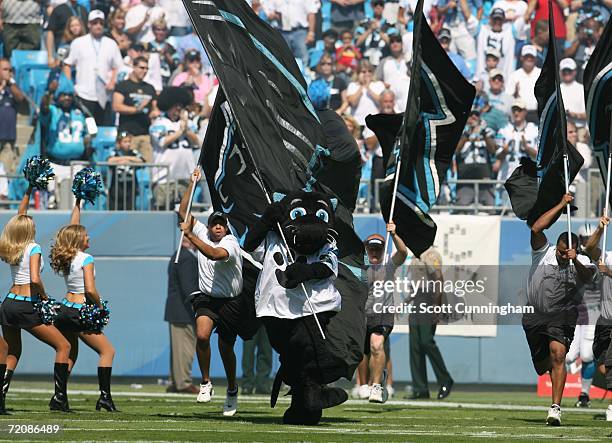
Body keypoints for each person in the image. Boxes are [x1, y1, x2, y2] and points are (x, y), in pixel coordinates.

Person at [178, 169, 249, 417]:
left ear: (226, 228)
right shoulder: (202, 232)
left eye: (221, 224)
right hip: (207, 298)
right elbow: (183, 212)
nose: (218, 228)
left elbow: (213, 254)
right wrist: (192, 183)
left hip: (231, 301)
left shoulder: (230, 243)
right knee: (202, 335)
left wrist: (188, 234)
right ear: (209, 226)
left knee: (226, 348)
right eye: (214, 224)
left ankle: (231, 388)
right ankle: (206, 382)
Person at [524, 193, 596, 426]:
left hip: (562, 314)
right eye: (561, 252)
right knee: (541, 366)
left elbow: (588, 276)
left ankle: (555, 408)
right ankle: (549, 372)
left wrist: (574, 260)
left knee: (558, 355)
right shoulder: (544, 252)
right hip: (534, 313)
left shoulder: (582, 262)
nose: (563, 256)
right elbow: (535, 229)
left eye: (567, 253)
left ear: (574, 250)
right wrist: (561, 204)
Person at [0, 185, 72, 411]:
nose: (34, 226)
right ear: (27, 230)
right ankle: (59, 399)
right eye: (32, 224)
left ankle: (0, 398)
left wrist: (29, 190)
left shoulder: (13, 246)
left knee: (13, 351)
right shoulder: (33, 247)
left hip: (8, 303)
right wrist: (44, 295)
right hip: (25, 305)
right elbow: (34, 278)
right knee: (63, 345)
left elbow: (18, 217)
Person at [50, 198, 118, 412]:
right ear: (79, 239)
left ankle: (59, 397)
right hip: (80, 310)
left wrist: (77, 203)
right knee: (108, 351)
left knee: (71, 353)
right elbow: (90, 290)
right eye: (85, 235)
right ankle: (105, 398)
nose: (89, 236)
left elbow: (70, 230)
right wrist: (100, 306)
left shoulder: (67, 256)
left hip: (64, 309)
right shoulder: (86, 258)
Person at [358, 223, 408, 403]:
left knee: (376, 345)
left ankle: (377, 386)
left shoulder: (388, 265)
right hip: (363, 315)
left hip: (383, 314)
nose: (374, 253)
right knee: (362, 352)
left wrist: (394, 234)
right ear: (366, 249)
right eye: (371, 249)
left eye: (377, 249)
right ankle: (364, 384)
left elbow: (403, 253)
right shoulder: (359, 267)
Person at [408, 245, 454, 399]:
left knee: (426, 341)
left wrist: (436, 306)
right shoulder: (415, 255)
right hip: (417, 300)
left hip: (429, 299)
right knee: (415, 345)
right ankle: (420, 388)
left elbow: (438, 279)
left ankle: (445, 379)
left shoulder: (431, 254)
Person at [63, 10, 124, 126]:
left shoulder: (111, 44)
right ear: (89, 24)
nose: (98, 26)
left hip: (104, 95)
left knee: (102, 128)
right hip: (84, 93)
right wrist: (70, 85)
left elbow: (118, 67)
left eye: (101, 23)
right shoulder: (78, 42)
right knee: (88, 128)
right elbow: (67, 64)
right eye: (95, 23)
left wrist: (112, 82)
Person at [563, 223, 600, 408]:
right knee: (568, 357)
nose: (586, 243)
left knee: (586, 355)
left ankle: (584, 394)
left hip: (595, 311)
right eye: (583, 239)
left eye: (589, 238)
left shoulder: (602, 257)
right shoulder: (573, 259)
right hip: (577, 312)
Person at [40, 77, 91, 209]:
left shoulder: (80, 113)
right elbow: (43, 108)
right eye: (63, 95)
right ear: (57, 96)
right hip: (55, 163)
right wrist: (49, 92)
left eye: (69, 95)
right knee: (53, 201)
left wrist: (88, 140)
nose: (67, 98)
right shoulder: (52, 111)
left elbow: (90, 132)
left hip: (77, 164)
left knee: (78, 203)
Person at [149, 87, 199, 210]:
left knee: (185, 213)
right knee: (162, 211)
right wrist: (180, 131)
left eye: (180, 106)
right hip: (163, 179)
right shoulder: (158, 123)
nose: (178, 109)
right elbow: (162, 142)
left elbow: (197, 142)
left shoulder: (188, 124)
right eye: (176, 105)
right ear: (169, 105)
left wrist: (186, 130)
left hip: (185, 177)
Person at [585, 215, 612, 421]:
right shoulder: (607, 256)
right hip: (604, 318)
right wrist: (600, 229)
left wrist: (609, 273)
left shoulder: (608, 266)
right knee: (602, 364)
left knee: (610, 363)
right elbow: (589, 249)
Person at [164, 232, 199, 395]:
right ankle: (183, 382)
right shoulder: (186, 258)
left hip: (177, 310)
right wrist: (198, 305)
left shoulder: (179, 256)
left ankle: (175, 381)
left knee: (178, 350)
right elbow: (188, 287)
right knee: (185, 349)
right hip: (183, 311)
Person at [113, 56, 158, 163]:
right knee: (126, 167)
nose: (145, 71)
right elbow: (116, 106)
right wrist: (136, 109)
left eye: (147, 68)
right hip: (127, 136)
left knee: (147, 165)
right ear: (133, 67)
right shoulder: (123, 85)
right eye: (141, 68)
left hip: (144, 134)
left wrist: (154, 113)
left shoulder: (150, 88)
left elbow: (155, 109)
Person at [455, 110, 497, 209]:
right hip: (465, 179)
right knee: (462, 209)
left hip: (485, 179)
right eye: (470, 114)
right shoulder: (459, 131)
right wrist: (467, 134)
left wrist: (483, 133)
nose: (474, 117)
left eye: (476, 115)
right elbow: (456, 150)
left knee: (490, 208)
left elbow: (492, 150)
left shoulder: (487, 131)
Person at [494, 98, 538, 185]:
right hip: (507, 178)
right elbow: (497, 155)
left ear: (525, 112)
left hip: (527, 180)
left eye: (519, 110)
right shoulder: (503, 130)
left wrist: (527, 149)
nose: (516, 113)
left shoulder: (534, 130)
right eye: (514, 110)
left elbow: (539, 157)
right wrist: (504, 151)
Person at [273, 0, 320, 68]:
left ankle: (304, 76)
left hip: (299, 32)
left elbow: (311, 14)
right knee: (283, 58)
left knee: (302, 59)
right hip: (282, 32)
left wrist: (311, 32)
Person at [107, 132, 145, 210]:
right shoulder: (115, 152)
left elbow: (141, 161)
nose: (128, 144)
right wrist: (122, 159)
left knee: (129, 211)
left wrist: (128, 159)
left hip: (130, 188)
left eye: (129, 141)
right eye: (125, 142)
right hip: (116, 188)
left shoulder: (134, 152)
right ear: (119, 143)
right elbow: (109, 160)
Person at [0, 58, 25, 177]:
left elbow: (20, 98)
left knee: (7, 172)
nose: (8, 72)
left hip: (8, 138)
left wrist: (11, 82)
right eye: (5, 69)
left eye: (10, 70)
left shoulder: (12, 88)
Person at [476, 8, 515, 81]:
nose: (497, 22)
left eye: (500, 20)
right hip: (483, 77)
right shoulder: (482, 31)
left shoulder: (510, 34)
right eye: (495, 19)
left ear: (503, 20)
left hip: (501, 79)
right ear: (490, 19)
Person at [354, 0, 397, 67]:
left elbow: (393, 44)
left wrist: (379, 30)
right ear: (372, 7)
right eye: (375, 4)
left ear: (383, 7)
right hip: (366, 61)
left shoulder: (389, 24)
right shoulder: (363, 23)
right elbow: (357, 43)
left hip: (383, 60)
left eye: (381, 4)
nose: (378, 7)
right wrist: (370, 30)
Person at [46, 0, 89, 67]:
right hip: (64, 50)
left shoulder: (83, 10)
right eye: (72, 26)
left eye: (77, 25)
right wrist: (50, 56)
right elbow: (50, 32)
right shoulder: (59, 10)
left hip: (82, 52)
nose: (75, 28)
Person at [375, 34, 410, 112]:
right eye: (392, 42)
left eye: (398, 41)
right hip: (390, 101)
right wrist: (382, 83)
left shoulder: (409, 60)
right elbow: (375, 79)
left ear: (402, 44)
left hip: (407, 100)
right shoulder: (384, 61)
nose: (395, 44)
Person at [506, 45, 541, 123]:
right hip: (520, 113)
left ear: (535, 59)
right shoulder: (514, 75)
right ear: (521, 58)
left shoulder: (542, 74)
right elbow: (508, 96)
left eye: (531, 57)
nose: (529, 59)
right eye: (526, 57)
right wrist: (515, 94)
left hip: (537, 113)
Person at [347, 60, 385, 127]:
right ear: (358, 73)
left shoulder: (379, 84)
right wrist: (362, 86)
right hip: (357, 123)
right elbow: (353, 102)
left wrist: (368, 89)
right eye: (364, 72)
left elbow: (382, 102)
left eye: (369, 71)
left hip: (374, 123)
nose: (367, 74)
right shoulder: (352, 85)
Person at [559, 58, 587, 137]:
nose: (567, 73)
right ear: (560, 72)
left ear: (575, 72)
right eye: (565, 71)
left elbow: (588, 114)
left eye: (569, 71)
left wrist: (575, 115)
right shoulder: (556, 90)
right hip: (561, 130)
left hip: (580, 129)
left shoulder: (582, 89)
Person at [241, 325, 273, 395]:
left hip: (268, 317)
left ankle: (263, 384)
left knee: (266, 350)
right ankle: (247, 384)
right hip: (250, 317)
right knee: (248, 350)